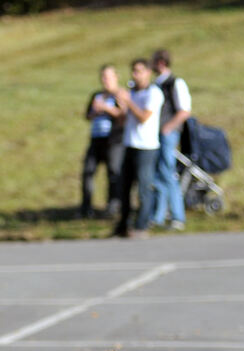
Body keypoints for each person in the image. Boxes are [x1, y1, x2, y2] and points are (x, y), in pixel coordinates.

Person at [112, 59, 164, 238]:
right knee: (124, 187)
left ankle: (142, 226)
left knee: (143, 187)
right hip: (129, 144)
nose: (135, 75)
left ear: (148, 72)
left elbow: (143, 117)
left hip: (146, 146)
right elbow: (123, 120)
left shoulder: (154, 93)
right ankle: (123, 225)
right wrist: (120, 106)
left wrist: (128, 102)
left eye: (139, 71)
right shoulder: (132, 93)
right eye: (133, 71)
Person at [150, 49, 192, 231]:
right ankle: (158, 216)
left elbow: (184, 110)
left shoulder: (175, 82)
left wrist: (168, 128)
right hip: (154, 135)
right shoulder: (155, 84)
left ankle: (177, 216)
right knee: (157, 175)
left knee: (168, 173)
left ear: (160, 62)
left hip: (167, 134)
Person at [80, 65, 125, 218]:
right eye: (103, 77)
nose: (105, 80)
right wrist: (95, 111)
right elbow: (87, 115)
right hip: (96, 139)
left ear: (116, 77)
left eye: (108, 77)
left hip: (114, 139)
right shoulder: (97, 95)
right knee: (88, 171)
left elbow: (123, 116)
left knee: (113, 172)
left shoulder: (120, 95)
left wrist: (107, 108)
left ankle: (113, 205)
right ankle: (86, 207)